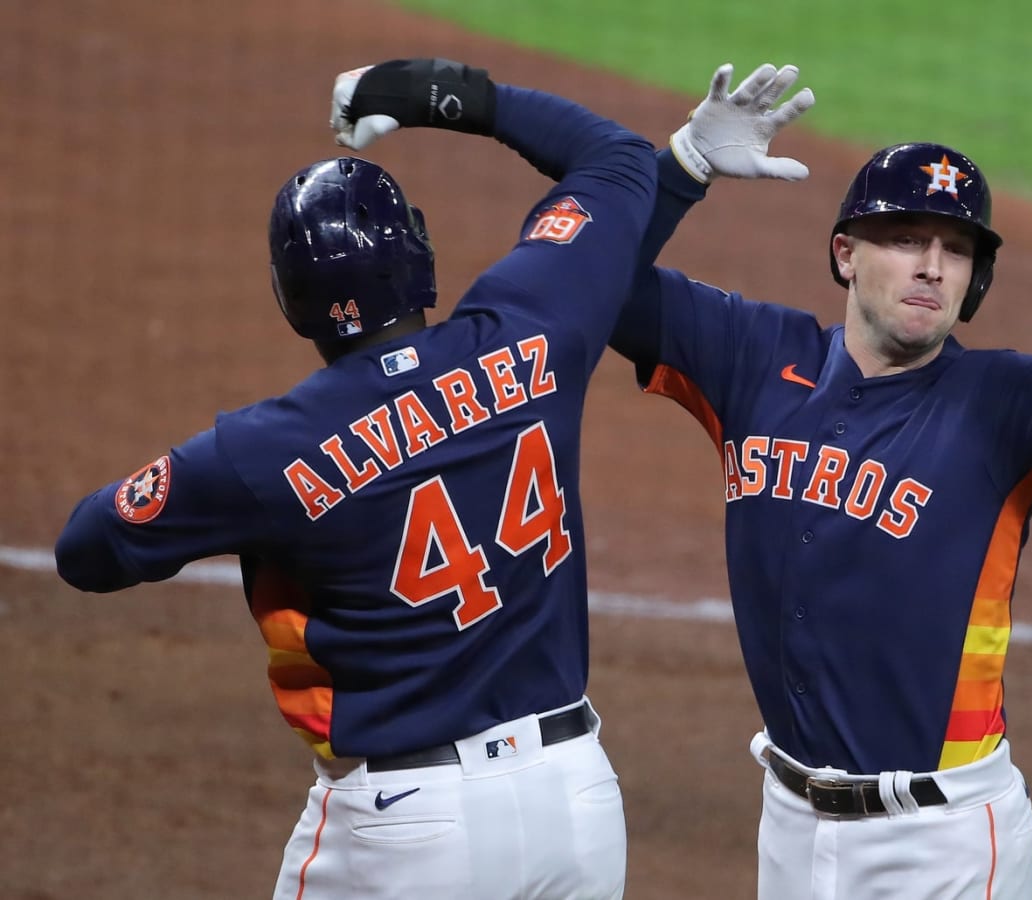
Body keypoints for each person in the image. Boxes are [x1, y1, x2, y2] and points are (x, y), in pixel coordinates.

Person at [54, 57, 656, 900]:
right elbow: (619, 158)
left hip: (405, 831)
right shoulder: (533, 325)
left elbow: (86, 549)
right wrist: (432, 93)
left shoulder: (258, 453)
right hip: (577, 800)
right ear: (417, 252)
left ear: (292, 299)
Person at [609, 63, 1032, 899]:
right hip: (789, 822)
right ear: (845, 255)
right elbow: (583, 283)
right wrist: (682, 167)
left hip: (941, 840)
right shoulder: (750, 353)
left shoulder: (1003, 400)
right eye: (905, 240)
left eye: (956, 250)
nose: (932, 267)